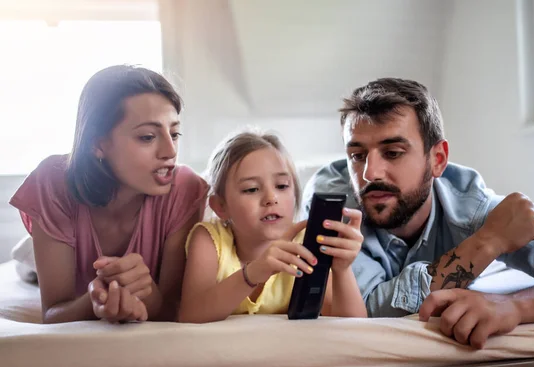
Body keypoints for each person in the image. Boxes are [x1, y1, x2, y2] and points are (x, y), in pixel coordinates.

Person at [301, 78, 534, 348]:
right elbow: (361, 311)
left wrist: (515, 307)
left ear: (438, 159)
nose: (370, 173)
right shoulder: (330, 205)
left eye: (392, 153)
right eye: (357, 155)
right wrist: (486, 244)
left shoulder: (474, 209)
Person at [10, 65, 208, 324]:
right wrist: (96, 299)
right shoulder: (53, 182)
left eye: (174, 133)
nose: (170, 151)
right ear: (97, 144)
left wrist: (144, 291)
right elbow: (53, 313)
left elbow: (173, 311)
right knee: (26, 264)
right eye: (148, 137)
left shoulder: (185, 189)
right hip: (46, 246)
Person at [178, 130, 367, 323]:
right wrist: (253, 273)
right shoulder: (209, 239)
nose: (271, 198)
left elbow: (354, 327)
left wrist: (342, 270)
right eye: (251, 189)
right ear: (220, 206)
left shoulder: (307, 244)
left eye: (282, 186)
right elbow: (190, 315)